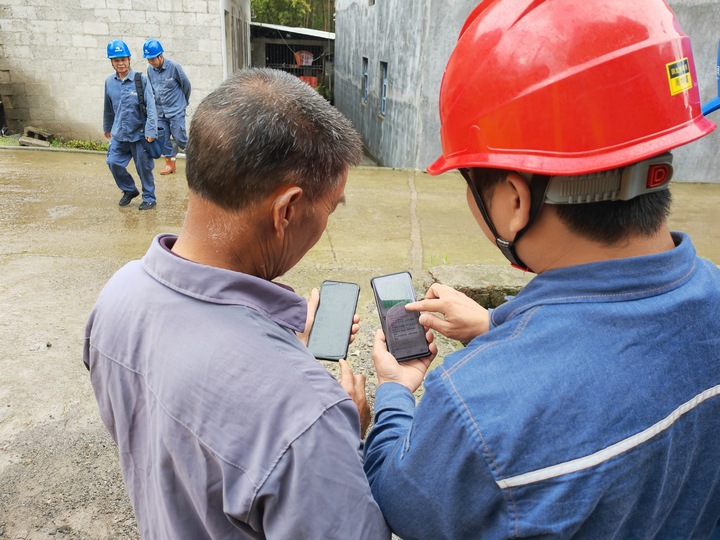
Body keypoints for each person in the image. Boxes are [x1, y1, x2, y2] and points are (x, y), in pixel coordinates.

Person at [363, 0, 720, 538]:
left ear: (512, 201)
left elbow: (401, 496)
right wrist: (496, 325)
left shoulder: (479, 409)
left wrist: (393, 390)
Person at [84, 68, 389, 539]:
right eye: (332, 207)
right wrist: (341, 434)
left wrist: (288, 353)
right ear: (286, 210)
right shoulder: (307, 417)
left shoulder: (117, 296)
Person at [103, 39, 158, 210]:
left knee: (144, 168)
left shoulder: (141, 80)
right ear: (112, 62)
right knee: (113, 162)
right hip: (119, 133)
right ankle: (129, 190)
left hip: (139, 134)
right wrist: (107, 126)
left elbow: (151, 107)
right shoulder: (109, 82)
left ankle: (149, 197)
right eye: (116, 60)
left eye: (123, 59)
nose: (121, 63)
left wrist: (151, 130)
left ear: (129, 59)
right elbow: (108, 107)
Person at [143, 38, 191, 175]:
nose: (151, 62)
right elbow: (151, 90)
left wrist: (183, 103)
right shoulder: (150, 70)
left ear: (160, 56)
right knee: (162, 138)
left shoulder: (174, 67)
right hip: (160, 112)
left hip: (176, 110)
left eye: (153, 59)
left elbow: (186, 85)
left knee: (179, 137)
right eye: (149, 59)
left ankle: (197, 161)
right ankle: (170, 165)